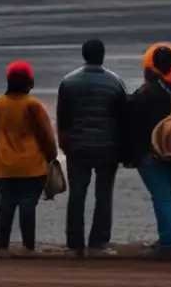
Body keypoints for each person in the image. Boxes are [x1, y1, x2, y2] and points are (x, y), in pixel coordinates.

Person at [57, 38, 129, 258]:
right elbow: (123, 119)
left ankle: (74, 244)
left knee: (77, 195)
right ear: (102, 56)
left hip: (77, 147)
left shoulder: (68, 82)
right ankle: (98, 243)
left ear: (84, 55)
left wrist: (64, 143)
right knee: (103, 194)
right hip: (107, 147)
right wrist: (124, 150)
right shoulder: (115, 82)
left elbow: (63, 117)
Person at [0, 60, 58, 257]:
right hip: (31, 165)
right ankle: (28, 247)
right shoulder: (33, 105)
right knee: (27, 205)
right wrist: (51, 156)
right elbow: (46, 135)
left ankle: (2, 248)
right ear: (29, 82)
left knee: (6, 205)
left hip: (4, 164)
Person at [128, 43, 171, 259]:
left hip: (150, 153)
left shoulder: (143, 94)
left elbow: (133, 126)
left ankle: (169, 243)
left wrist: (132, 156)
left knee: (161, 196)